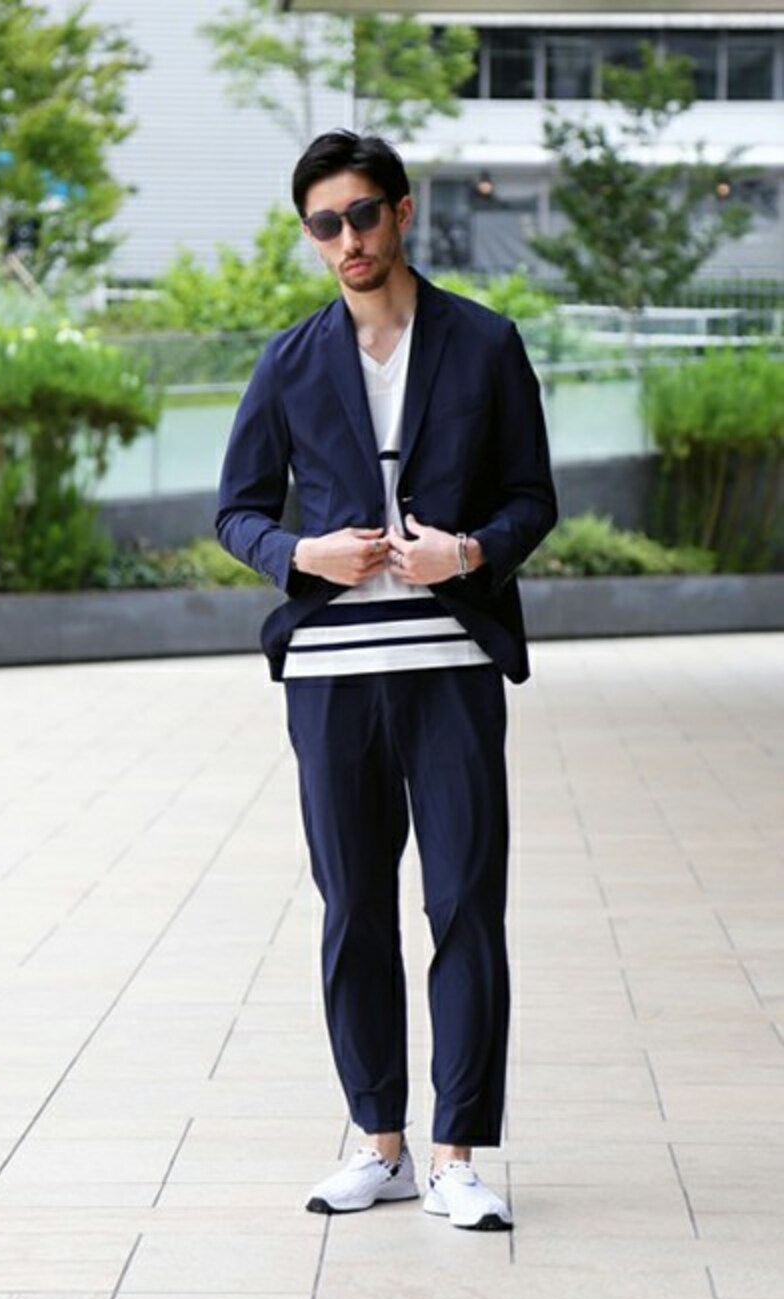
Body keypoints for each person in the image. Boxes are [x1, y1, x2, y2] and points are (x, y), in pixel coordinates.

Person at [215, 129, 557, 1231]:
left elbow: (532, 497)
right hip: (332, 676)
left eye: (363, 215)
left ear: (402, 212)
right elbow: (237, 510)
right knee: (354, 907)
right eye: (325, 224)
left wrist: (469, 552)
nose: (347, 239)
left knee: (464, 903)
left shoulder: (485, 343)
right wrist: (300, 554)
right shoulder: (288, 361)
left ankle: (456, 1154)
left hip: (450, 665)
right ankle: (381, 1145)